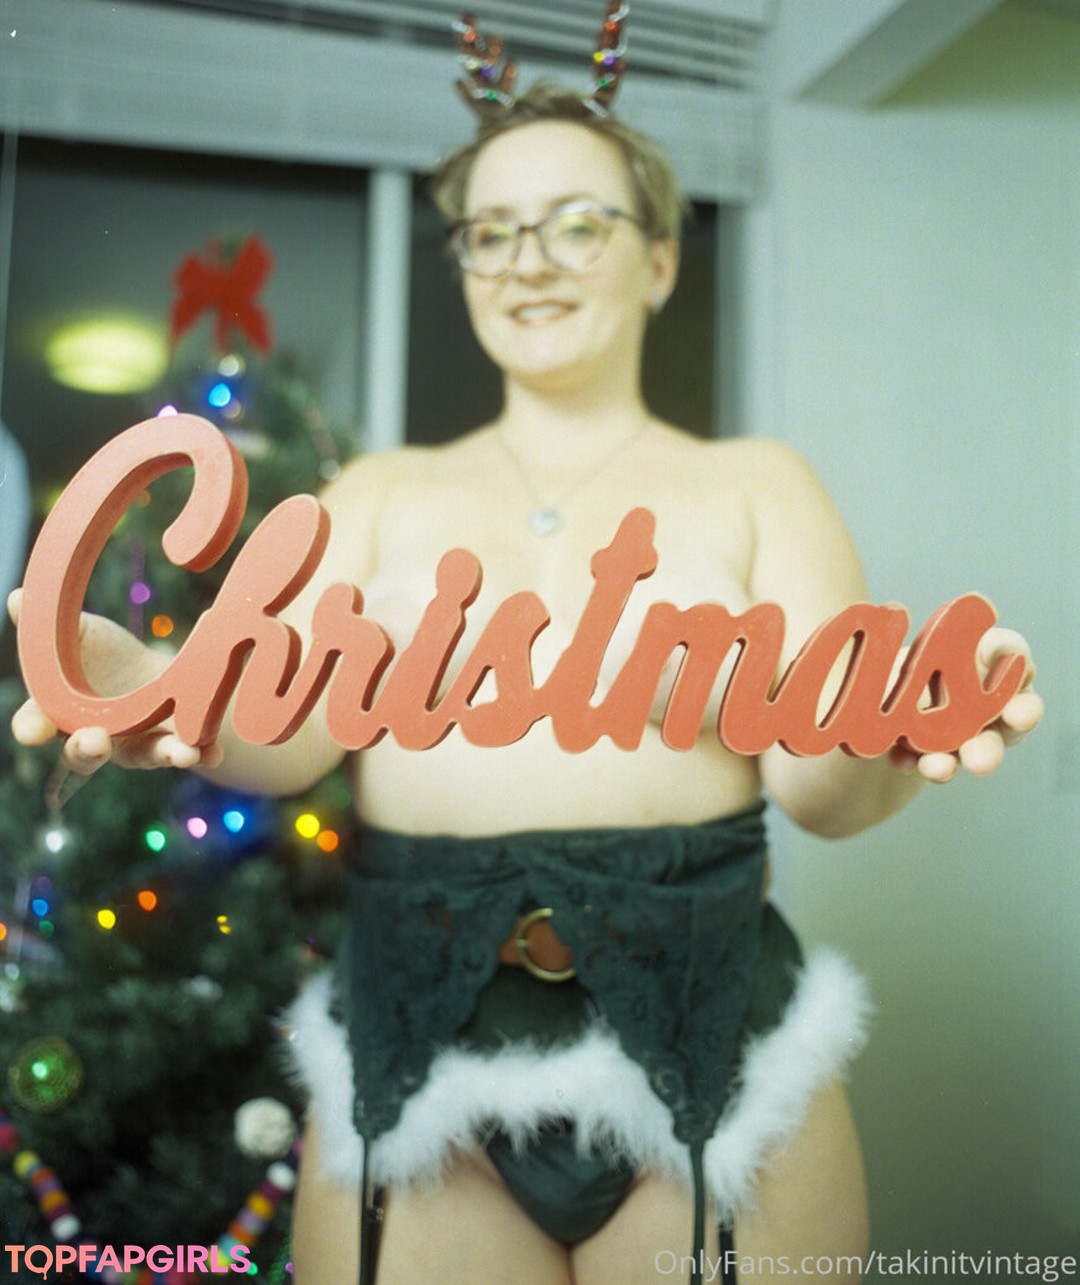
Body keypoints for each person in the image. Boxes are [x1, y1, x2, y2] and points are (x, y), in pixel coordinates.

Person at [9, 48, 1042, 1285]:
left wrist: (899, 739)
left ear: (659, 259)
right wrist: (153, 681)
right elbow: (284, 733)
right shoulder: (380, 494)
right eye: (491, 232)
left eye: (576, 223)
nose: (527, 260)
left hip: (712, 1031)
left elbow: (821, 779)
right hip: (416, 1038)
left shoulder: (758, 487)